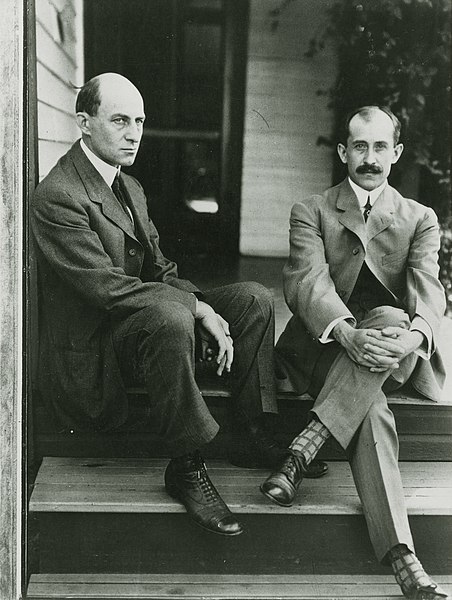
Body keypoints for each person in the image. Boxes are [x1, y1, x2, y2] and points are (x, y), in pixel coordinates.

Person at [31, 72, 325, 538]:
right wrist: (197, 309)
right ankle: (186, 467)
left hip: (139, 324)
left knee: (252, 298)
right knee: (171, 313)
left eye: (140, 121)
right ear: (83, 122)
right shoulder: (58, 196)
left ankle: (250, 432)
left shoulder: (129, 186)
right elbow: (106, 289)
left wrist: (201, 304)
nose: (133, 134)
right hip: (98, 350)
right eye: (120, 120)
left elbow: (160, 270)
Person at [261, 106, 449, 599]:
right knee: (374, 412)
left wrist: (413, 337)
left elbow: (429, 288)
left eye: (380, 147)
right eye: (360, 147)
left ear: (397, 153)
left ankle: (306, 445)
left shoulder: (420, 218)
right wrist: (346, 333)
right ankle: (403, 556)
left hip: (392, 350)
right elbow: (305, 283)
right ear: (344, 152)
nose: (370, 158)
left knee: (392, 320)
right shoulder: (312, 209)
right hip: (328, 348)